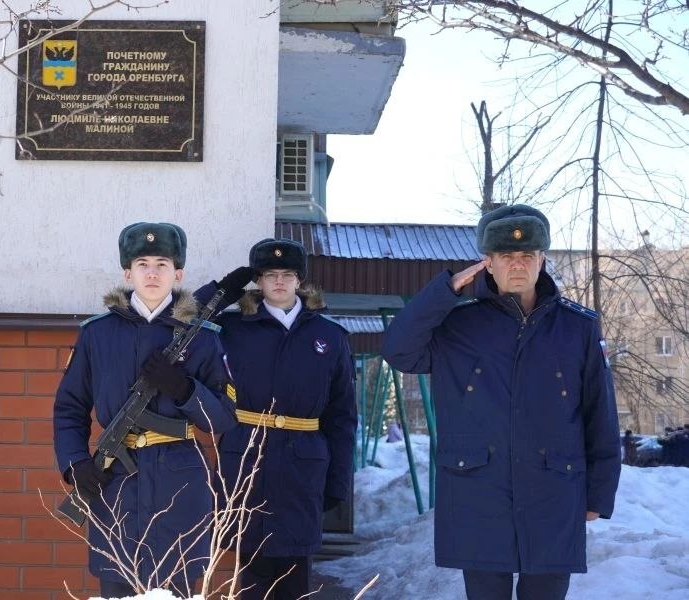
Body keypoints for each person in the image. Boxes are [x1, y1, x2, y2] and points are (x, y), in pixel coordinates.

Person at [381, 205, 621, 600]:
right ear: (487, 264)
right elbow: (398, 351)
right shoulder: (457, 325)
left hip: (553, 492)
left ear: (542, 260)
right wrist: (443, 292)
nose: (518, 265)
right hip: (479, 492)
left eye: (527, 256)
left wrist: (599, 494)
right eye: (506, 257)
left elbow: (600, 415)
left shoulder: (577, 327)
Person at [53, 222, 237, 598]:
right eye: (142, 264)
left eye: (162, 264)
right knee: (117, 587)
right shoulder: (97, 333)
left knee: (177, 588)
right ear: (127, 272)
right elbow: (70, 408)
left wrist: (183, 388)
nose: (152, 273)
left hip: (180, 480)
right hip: (115, 481)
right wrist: (76, 464)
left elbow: (223, 416)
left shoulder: (203, 337)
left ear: (178, 273)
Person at [200, 238, 357, 600]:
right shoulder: (233, 328)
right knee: (251, 570)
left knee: (294, 572)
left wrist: (338, 479)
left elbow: (343, 415)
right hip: (246, 457)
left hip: (303, 463)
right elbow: (184, 323)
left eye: (288, 274)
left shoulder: (328, 336)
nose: (280, 282)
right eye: (270, 275)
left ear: (300, 281)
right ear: (258, 281)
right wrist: (224, 289)